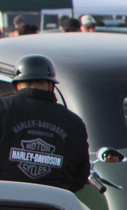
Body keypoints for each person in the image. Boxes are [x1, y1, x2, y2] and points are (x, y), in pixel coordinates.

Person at [0, 55, 89, 191]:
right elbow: (81, 174)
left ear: (16, 86)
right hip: (53, 202)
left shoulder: (2, 108)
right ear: (50, 85)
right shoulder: (73, 122)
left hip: (4, 198)